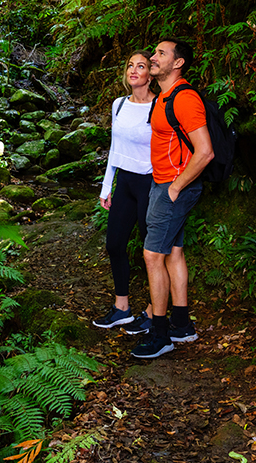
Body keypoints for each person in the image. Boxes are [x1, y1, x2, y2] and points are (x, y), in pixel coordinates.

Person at [131, 38, 213, 359]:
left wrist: (176, 187)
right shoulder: (163, 97)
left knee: (152, 256)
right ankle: (181, 325)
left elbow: (205, 151)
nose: (153, 57)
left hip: (174, 187)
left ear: (177, 63)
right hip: (163, 183)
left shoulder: (184, 98)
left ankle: (160, 333)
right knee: (173, 252)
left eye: (161, 54)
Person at [91, 50, 156, 329]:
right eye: (130, 65)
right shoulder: (119, 105)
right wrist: (107, 187)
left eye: (141, 66)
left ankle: (155, 311)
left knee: (151, 251)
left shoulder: (160, 105)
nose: (134, 70)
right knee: (115, 243)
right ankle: (122, 307)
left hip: (151, 183)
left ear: (150, 73)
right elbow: (115, 149)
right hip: (125, 183)